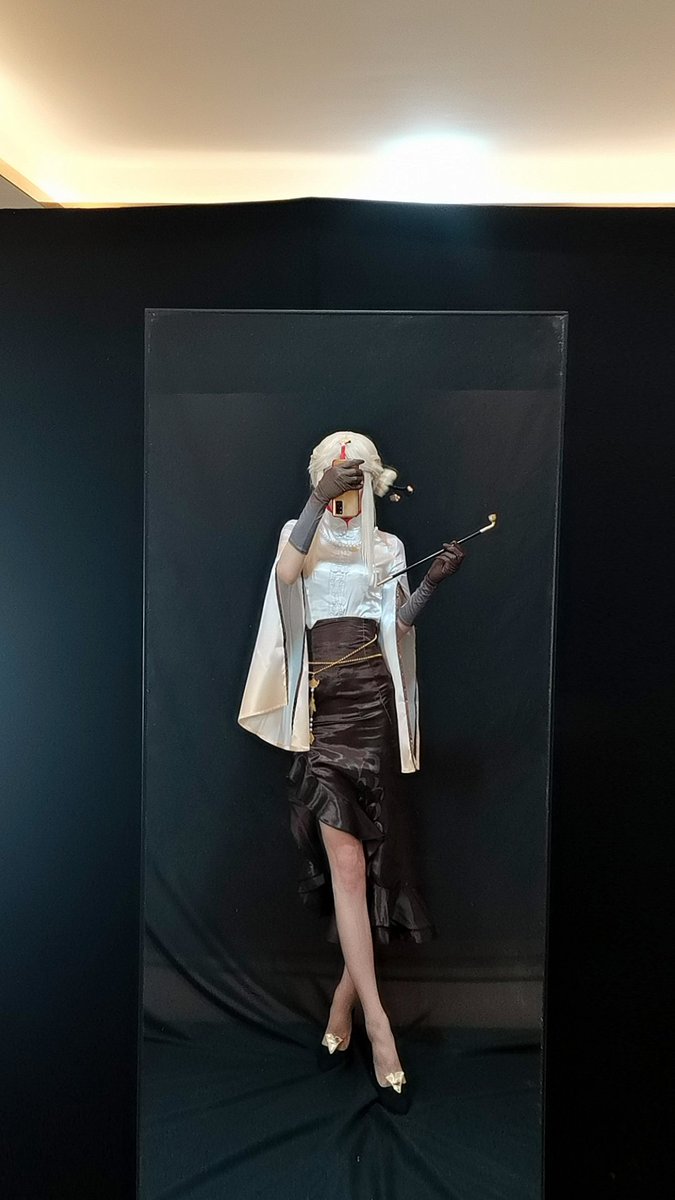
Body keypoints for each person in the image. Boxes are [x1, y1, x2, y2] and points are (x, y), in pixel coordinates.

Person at [238, 431, 465, 1111]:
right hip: (323, 712)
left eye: (356, 477)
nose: (348, 488)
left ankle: (342, 1010)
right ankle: (378, 1029)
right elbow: (286, 576)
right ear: (321, 479)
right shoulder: (299, 535)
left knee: (366, 869)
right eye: (337, 477)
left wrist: (429, 584)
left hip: (373, 707)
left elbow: (397, 625)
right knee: (344, 866)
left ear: (372, 482)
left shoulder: (388, 546)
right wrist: (316, 501)